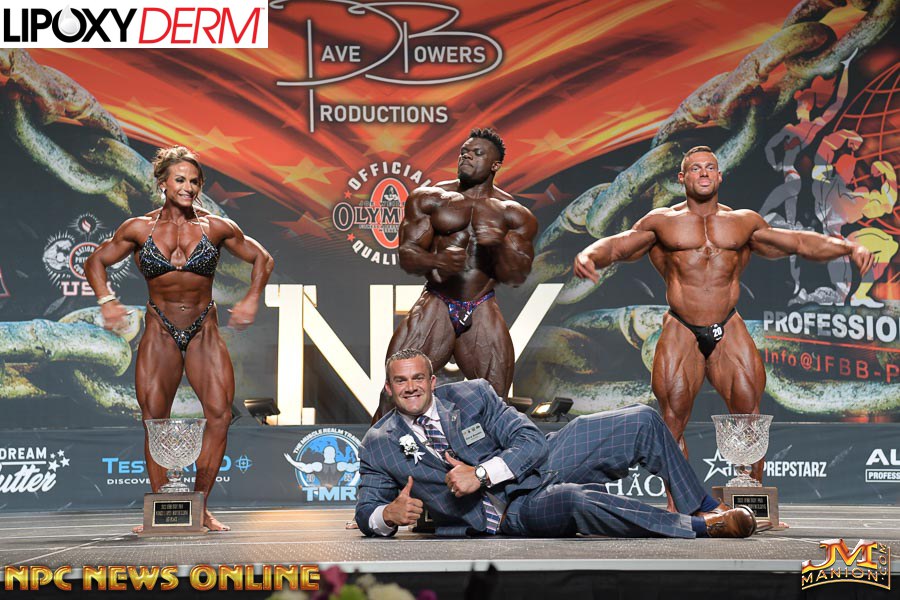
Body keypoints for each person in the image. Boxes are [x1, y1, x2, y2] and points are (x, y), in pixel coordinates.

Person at [573, 146, 874, 485]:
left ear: (719, 176)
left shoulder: (742, 222)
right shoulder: (661, 222)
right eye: (695, 168)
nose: (703, 173)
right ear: (682, 178)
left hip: (727, 326)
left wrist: (848, 247)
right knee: (672, 420)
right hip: (682, 327)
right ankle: (680, 506)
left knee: (749, 415)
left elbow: (797, 242)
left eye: (709, 167)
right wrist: (589, 255)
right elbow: (618, 244)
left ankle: (750, 501)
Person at [355, 349, 757, 539]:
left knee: (642, 418)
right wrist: (387, 515)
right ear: (389, 388)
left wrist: (481, 474)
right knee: (575, 500)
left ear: (432, 381)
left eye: (418, 378)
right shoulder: (378, 443)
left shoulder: (472, 394)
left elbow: (530, 439)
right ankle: (699, 528)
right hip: (512, 513)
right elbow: (366, 510)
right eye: (401, 381)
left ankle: (703, 505)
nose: (411, 387)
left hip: (542, 464)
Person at [85, 146, 274, 531]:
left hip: (204, 329)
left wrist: (252, 298)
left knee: (220, 415)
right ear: (163, 184)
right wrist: (107, 301)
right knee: (154, 419)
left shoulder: (215, 227)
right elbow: (96, 261)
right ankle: (161, 510)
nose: (188, 187)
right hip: (160, 331)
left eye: (195, 181)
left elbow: (263, 259)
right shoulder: (138, 228)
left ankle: (200, 506)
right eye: (181, 180)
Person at [372, 128, 538, 422]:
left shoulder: (514, 213)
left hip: (481, 304)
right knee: (393, 396)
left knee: (495, 404)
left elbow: (518, 274)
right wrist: (437, 260)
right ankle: (375, 453)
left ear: (495, 165)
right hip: (438, 299)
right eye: (464, 152)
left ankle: (481, 455)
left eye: (477, 153)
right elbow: (407, 253)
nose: (467, 157)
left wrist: (498, 245)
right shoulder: (431, 199)